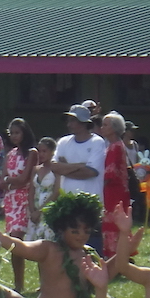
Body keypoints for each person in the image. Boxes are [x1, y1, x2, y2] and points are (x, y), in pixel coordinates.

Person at [51, 104, 106, 252]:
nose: (69, 124)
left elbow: (91, 172)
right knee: (64, 246)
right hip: (67, 202)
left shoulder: (97, 142)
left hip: (90, 203)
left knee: (91, 247)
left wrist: (66, 168)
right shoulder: (63, 142)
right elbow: (55, 167)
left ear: (83, 123)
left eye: (73, 120)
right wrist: (80, 165)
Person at [2, 119, 39, 293]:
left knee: (20, 238)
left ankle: (42, 281)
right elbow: (2, 179)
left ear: (24, 133)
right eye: (12, 133)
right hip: (11, 200)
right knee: (13, 244)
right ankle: (19, 284)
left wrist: (10, 181)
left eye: (17, 132)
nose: (14, 136)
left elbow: (24, 179)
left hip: (25, 199)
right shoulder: (10, 154)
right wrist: (10, 182)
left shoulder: (31, 153)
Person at [98, 112, 132, 260]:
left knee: (112, 222)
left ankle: (113, 255)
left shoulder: (114, 147)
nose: (102, 128)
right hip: (118, 190)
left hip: (113, 190)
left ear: (114, 128)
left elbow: (109, 173)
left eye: (105, 125)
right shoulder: (117, 145)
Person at [28, 137, 58, 241]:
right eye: (40, 151)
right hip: (34, 212)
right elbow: (31, 191)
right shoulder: (36, 169)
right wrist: (32, 212)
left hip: (48, 211)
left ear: (52, 152)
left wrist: (40, 211)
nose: (41, 154)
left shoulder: (56, 169)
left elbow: (56, 193)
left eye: (44, 151)